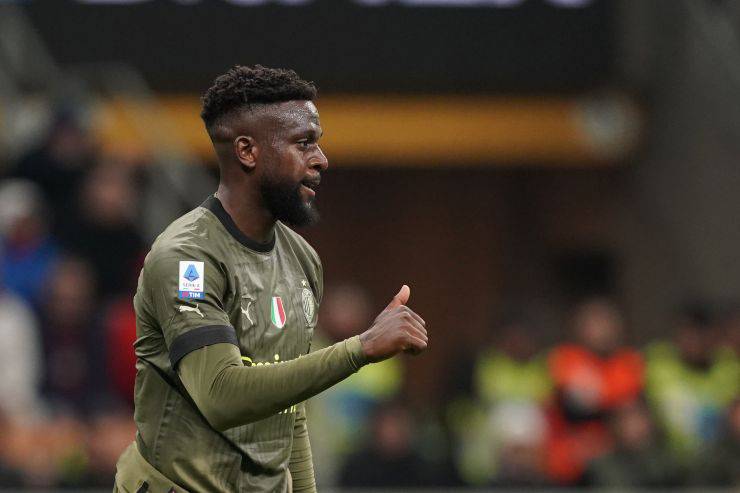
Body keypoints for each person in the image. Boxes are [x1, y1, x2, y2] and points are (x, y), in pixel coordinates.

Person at [113, 65, 429, 493]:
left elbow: (290, 412)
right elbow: (220, 394)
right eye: (304, 143)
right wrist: (360, 348)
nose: (321, 159)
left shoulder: (302, 259)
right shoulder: (188, 257)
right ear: (247, 151)